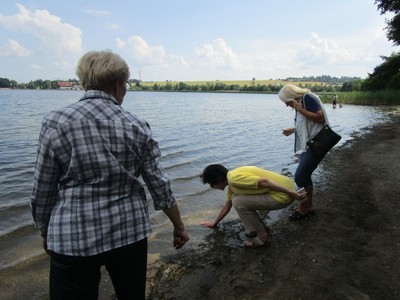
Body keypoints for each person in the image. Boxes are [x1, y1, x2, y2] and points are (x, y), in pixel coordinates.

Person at [30, 50, 189, 299]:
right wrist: (179, 226)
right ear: (117, 84)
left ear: (84, 82)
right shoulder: (137, 125)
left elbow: (43, 188)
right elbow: (159, 184)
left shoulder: (56, 122)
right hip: (129, 233)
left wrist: (45, 230)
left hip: (72, 237)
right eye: (125, 84)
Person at [200, 164, 306, 248]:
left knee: (238, 202)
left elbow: (265, 181)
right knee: (236, 199)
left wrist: (292, 193)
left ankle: (262, 237)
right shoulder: (233, 180)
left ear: (217, 180)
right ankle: (259, 230)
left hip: (284, 195)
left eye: (211, 183)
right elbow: (226, 207)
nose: (211, 186)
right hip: (286, 189)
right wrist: (214, 223)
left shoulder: (234, 179)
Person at [278, 83, 331, 221]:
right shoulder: (302, 101)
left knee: (300, 176)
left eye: (286, 102)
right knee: (304, 176)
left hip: (316, 144)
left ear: (291, 96)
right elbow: (310, 123)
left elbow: (319, 118)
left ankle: (303, 208)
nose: (286, 105)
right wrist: (294, 129)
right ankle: (309, 206)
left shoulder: (308, 98)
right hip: (311, 144)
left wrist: (299, 109)